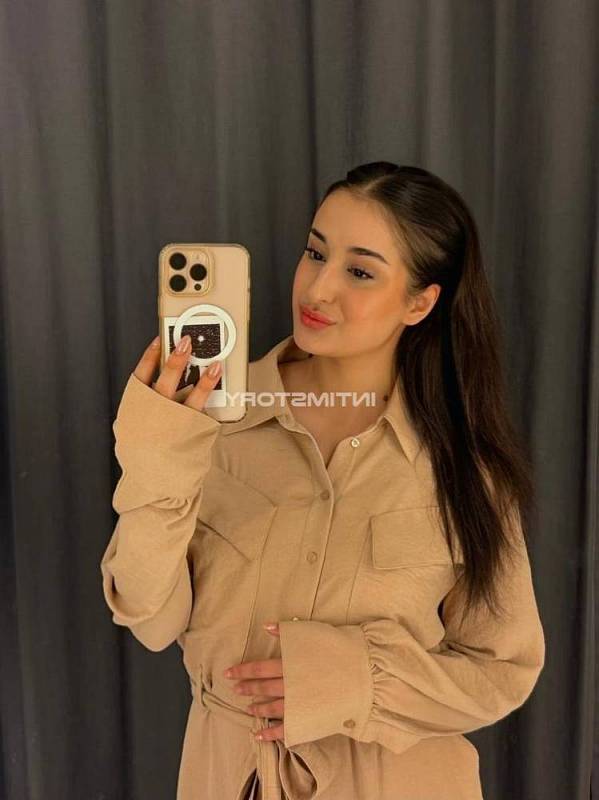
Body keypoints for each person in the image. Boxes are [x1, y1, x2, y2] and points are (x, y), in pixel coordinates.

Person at [100, 162, 545, 800]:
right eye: (315, 253)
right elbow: (150, 618)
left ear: (419, 302)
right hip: (230, 774)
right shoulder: (208, 424)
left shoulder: (464, 468)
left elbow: (503, 670)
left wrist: (360, 680)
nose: (318, 288)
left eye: (360, 272)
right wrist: (157, 456)